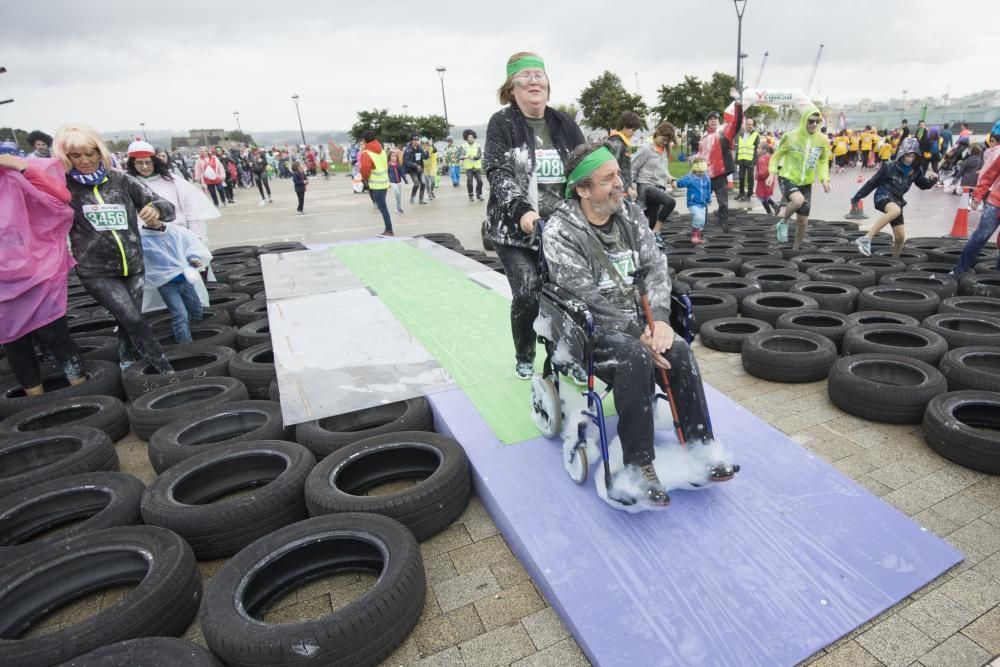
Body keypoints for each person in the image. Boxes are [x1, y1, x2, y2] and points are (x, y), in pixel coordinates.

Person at [542, 142, 736, 508]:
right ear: (582, 189)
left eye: (619, 174)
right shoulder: (560, 231)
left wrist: (660, 321)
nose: (621, 184)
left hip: (640, 320)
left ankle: (700, 446)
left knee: (676, 348)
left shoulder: (629, 215)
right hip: (587, 329)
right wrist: (639, 335)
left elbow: (655, 266)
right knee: (634, 357)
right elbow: (583, 296)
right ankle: (637, 465)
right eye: (608, 178)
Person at [483, 50, 584, 379]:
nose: (533, 81)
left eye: (538, 75)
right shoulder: (502, 124)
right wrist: (522, 212)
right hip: (514, 229)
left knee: (567, 294)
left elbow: (583, 166)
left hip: (559, 228)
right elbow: (498, 171)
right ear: (512, 87)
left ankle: (562, 353)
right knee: (527, 289)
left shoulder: (564, 124)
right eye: (524, 77)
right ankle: (525, 351)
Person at [53, 123, 175, 374]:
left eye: (91, 153)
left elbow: (167, 207)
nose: (85, 161)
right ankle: (167, 372)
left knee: (126, 320)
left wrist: (157, 209)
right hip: (96, 271)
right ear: (66, 157)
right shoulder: (63, 187)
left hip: (133, 265)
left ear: (100, 152)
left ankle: (127, 364)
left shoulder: (120, 179)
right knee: (133, 319)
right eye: (76, 155)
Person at [0, 142, 86, 397]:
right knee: (14, 344)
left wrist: (23, 167)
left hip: (37, 271)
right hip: (3, 286)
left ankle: (83, 393)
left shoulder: (20, 175)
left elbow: (60, 198)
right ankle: (35, 405)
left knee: (55, 335)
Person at [851, 137, 938, 258]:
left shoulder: (916, 170)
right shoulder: (889, 166)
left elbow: (924, 185)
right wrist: (856, 198)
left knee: (900, 237)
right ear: (901, 154)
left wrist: (933, 181)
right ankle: (866, 239)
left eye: (913, 156)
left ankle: (895, 261)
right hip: (883, 196)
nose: (909, 159)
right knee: (895, 210)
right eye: (907, 155)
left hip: (897, 201)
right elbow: (872, 183)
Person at [126, 140, 216, 246]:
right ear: (132, 163)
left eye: (148, 162)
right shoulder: (126, 184)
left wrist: (197, 242)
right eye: (139, 163)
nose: (145, 167)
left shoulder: (174, 181)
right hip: (145, 244)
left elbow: (192, 214)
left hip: (178, 240)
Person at [767, 105, 831, 249]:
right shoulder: (790, 137)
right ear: (804, 121)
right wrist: (772, 172)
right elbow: (776, 156)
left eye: (817, 121)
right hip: (787, 176)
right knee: (798, 200)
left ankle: (795, 250)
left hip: (806, 182)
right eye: (811, 121)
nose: (814, 124)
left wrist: (824, 179)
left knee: (803, 222)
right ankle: (783, 222)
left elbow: (823, 161)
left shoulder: (822, 140)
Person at [139, 221, 211, 344]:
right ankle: (185, 344)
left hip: (185, 280)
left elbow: (189, 247)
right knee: (180, 314)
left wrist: (193, 258)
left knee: (196, 309)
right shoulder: (143, 239)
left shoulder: (174, 232)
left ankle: (198, 332)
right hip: (167, 285)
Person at [951, 121, 1000, 274]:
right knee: (980, 237)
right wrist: (977, 196)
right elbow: (988, 175)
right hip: (996, 203)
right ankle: (959, 270)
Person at [697, 99, 742, 231]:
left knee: (723, 202)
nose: (713, 120)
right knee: (702, 201)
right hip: (705, 175)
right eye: (710, 119)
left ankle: (723, 223)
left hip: (720, 174)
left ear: (718, 120)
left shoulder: (724, 132)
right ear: (707, 122)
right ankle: (701, 224)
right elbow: (701, 153)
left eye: (715, 118)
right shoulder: (704, 136)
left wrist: (738, 105)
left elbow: (737, 122)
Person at [631, 122, 677, 232]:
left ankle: (652, 236)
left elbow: (663, 170)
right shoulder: (646, 149)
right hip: (646, 186)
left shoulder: (664, 151)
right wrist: (631, 187)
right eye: (663, 139)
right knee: (670, 202)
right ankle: (657, 232)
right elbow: (632, 168)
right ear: (657, 134)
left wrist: (671, 179)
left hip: (659, 186)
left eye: (667, 141)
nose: (665, 142)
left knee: (653, 218)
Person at [358, 129, 394, 237]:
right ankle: (388, 229)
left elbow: (365, 170)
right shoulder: (381, 150)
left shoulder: (366, 153)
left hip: (376, 185)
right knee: (382, 206)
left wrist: (364, 179)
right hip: (384, 182)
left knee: (383, 207)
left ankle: (389, 230)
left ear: (364, 140)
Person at [606, 111, 644, 201]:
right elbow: (613, 169)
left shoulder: (624, 143)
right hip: (618, 189)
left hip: (624, 188)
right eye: (633, 130)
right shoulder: (617, 143)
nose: (634, 133)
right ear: (625, 126)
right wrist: (628, 188)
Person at [675, 156, 712, 244]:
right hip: (693, 203)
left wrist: (708, 199)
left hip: (703, 203)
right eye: (699, 172)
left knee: (702, 222)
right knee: (698, 218)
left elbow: (708, 189)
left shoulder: (706, 178)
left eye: (702, 171)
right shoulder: (690, 177)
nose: (701, 173)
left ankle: (698, 237)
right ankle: (694, 236)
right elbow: (681, 183)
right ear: (694, 169)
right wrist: (675, 182)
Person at [735, 117, 759, 201]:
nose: (750, 126)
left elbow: (756, 149)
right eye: (748, 124)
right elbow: (740, 147)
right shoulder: (741, 134)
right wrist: (737, 159)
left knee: (750, 178)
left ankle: (749, 194)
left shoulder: (755, 135)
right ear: (745, 125)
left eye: (751, 125)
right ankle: (741, 193)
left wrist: (754, 161)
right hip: (741, 159)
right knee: (741, 177)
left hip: (750, 160)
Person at [754, 142, 779, 215]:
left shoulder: (762, 159)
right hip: (769, 181)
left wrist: (757, 176)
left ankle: (769, 212)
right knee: (766, 196)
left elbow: (763, 172)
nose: (757, 150)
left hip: (763, 182)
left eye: (759, 148)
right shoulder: (769, 157)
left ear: (764, 150)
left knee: (762, 197)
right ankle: (775, 206)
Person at [403, 134, 428, 205]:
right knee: (416, 183)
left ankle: (421, 200)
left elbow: (425, 157)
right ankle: (412, 198)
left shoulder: (420, 148)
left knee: (423, 183)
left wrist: (426, 150)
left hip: (420, 169)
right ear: (411, 141)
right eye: (415, 140)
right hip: (412, 169)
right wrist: (415, 165)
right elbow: (406, 161)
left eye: (417, 140)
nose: (416, 141)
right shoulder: (408, 149)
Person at [461, 129, 484, 201]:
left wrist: (473, 157)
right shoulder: (463, 146)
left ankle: (479, 194)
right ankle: (471, 195)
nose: (470, 138)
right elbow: (460, 155)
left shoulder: (478, 145)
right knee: (469, 181)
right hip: (468, 167)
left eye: (471, 137)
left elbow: (479, 155)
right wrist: (464, 157)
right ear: (466, 138)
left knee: (480, 181)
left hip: (477, 167)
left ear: (474, 137)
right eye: (468, 137)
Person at [388, 149, 407, 214]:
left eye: (395, 156)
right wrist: (387, 182)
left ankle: (399, 208)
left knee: (398, 196)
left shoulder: (398, 165)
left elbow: (402, 173)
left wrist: (406, 181)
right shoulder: (388, 165)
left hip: (399, 182)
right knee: (397, 193)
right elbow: (386, 174)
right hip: (392, 182)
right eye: (392, 156)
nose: (394, 157)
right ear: (390, 157)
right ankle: (398, 208)